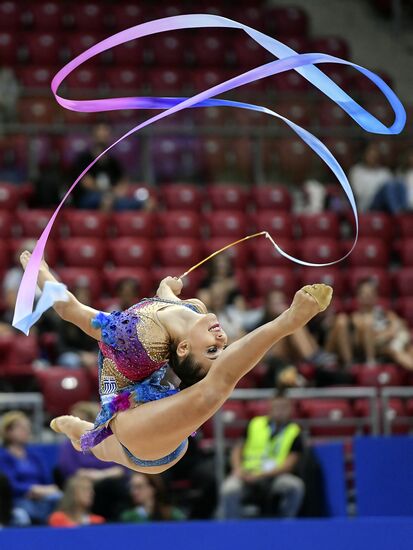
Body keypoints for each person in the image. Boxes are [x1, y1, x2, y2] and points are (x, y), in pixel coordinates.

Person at [19, 249, 332, 475]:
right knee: (104, 445)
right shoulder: (194, 310)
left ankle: (85, 436)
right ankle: (83, 435)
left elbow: (69, 310)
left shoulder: (136, 340)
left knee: (112, 441)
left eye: (212, 351)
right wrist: (167, 288)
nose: (222, 340)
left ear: (183, 349)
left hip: (145, 431)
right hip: (158, 428)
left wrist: (38, 269)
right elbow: (167, 305)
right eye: (220, 349)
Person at [220, 394, 305, 519]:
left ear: (290, 410)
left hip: (274, 477)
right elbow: (237, 449)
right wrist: (238, 469)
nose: (280, 411)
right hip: (247, 474)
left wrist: (261, 475)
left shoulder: (295, 431)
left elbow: (289, 464)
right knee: (229, 489)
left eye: (284, 407)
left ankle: (285, 526)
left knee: (295, 486)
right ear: (269, 408)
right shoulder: (255, 424)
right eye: (277, 407)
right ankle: (232, 529)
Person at [0, 411, 62, 525]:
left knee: (60, 498)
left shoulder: (35, 456)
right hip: (17, 499)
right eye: (21, 428)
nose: (27, 431)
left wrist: (45, 490)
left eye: (28, 427)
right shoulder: (3, 457)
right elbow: (8, 483)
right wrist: (31, 489)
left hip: (42, 496)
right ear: (8, 431)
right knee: (23, 513)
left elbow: (47, 480)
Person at [338, 279, 413, 369]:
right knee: (396, 352)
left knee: (410, 349)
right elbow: (366, 338)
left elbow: (400, 323)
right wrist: (388, 334)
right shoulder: (356, 317)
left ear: (376, 296)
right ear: (358, 296)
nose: (368, 295)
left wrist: (393, 329)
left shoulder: (384, 312)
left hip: (393, 341)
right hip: (379, 349)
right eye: (364, 293)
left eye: (371, 293)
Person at [70, 123, 147, 212]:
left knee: (144, 203)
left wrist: (117, 191)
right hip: (88, 197)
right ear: (93, 136)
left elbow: (123, 181)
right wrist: (109, 193)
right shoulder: (83, 159)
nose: (103, 135)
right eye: (100, 132)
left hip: (113, 198)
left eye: (106, 132)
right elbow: (87, 183)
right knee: (107, 201)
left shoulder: (113, 161)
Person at [120, 473, 185, 523]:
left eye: (139, 487)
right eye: (132, 487)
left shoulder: (172, 514)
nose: (134, 492)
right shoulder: (128, 517)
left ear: (153, 488)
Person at [349, 143, 396, 212]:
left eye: (375, 156)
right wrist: (378, 192)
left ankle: (400, 212)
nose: (373, 158)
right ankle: (398, 214)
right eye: (370, 156)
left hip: (384, 205)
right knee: (387, 188)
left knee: (398, 184)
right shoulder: (356, 171)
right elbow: (358, 193)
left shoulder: (385, 172)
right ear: (365, 156)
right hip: (366, 204)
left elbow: (391, 194)